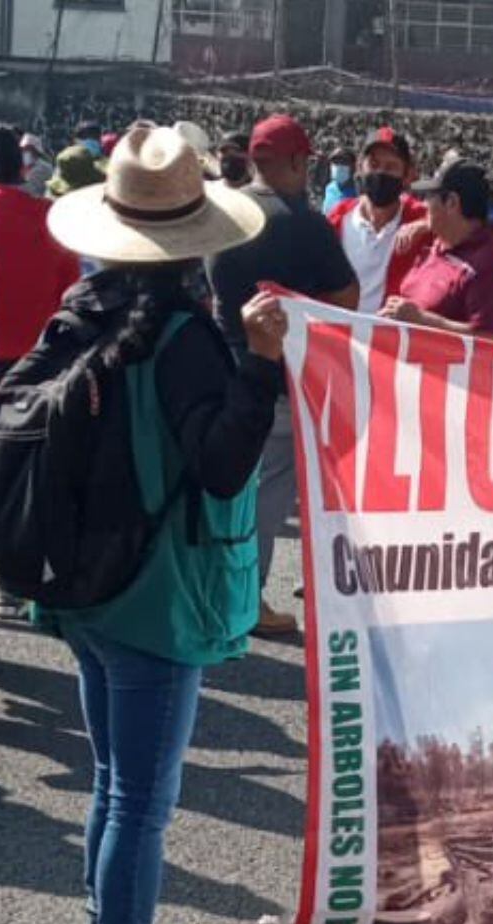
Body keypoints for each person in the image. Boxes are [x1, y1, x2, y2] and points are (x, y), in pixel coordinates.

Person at [39, 122, 279, 924]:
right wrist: (257, 366)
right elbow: (221, 468)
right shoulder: (186, 339)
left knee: (113, 783)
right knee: (140, 797)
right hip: (157, 588)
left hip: (90, 582)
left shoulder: (83, 308)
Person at [204, 114, 358, 639]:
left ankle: (216, 587)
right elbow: (346, 297)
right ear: (294, 162)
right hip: (279, 376)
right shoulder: (303, 224)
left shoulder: (223, 212)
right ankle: (248, 597)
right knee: (267, 490)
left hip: (221, 365)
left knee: (224, 485)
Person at [0, 124, 80, 621]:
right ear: (24, 167)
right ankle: (20, 585)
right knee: (31, 483)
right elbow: (71, 295)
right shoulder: (52, 221)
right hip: (42, 369)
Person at [386, 157, 493, 340]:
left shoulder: (488, 265)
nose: (423, 204)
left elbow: (487, 339)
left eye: (429, 197)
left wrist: (423, 321)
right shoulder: (440, 242)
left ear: (452, 203)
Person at [326, 126, 426, 315]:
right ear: (359, 168)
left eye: (391, 167)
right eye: (373, 164)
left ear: (407, 175)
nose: (381, 173)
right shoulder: (335, 222)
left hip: (389, 340)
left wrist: (427, 225)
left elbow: (477, 229)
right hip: (339, 337)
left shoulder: (420, 218)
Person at [320, 146, 356, 213]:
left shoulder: (359, 192)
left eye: (344, 162)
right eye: (335, 162)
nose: (339, 166)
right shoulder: (329, 188)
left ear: (353, 166)